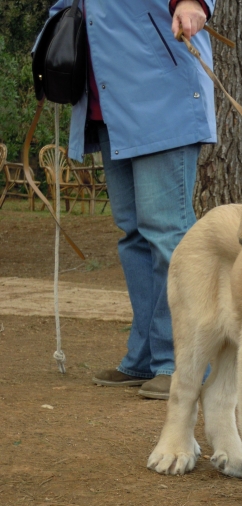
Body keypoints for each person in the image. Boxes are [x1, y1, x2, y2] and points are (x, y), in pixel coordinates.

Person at [39, 0, 217, 399]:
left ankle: (181, 362)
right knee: (134, 234)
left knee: (167, 233)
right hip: (107, 104)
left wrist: (193, 2)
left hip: (161, 95)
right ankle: (145, 356)